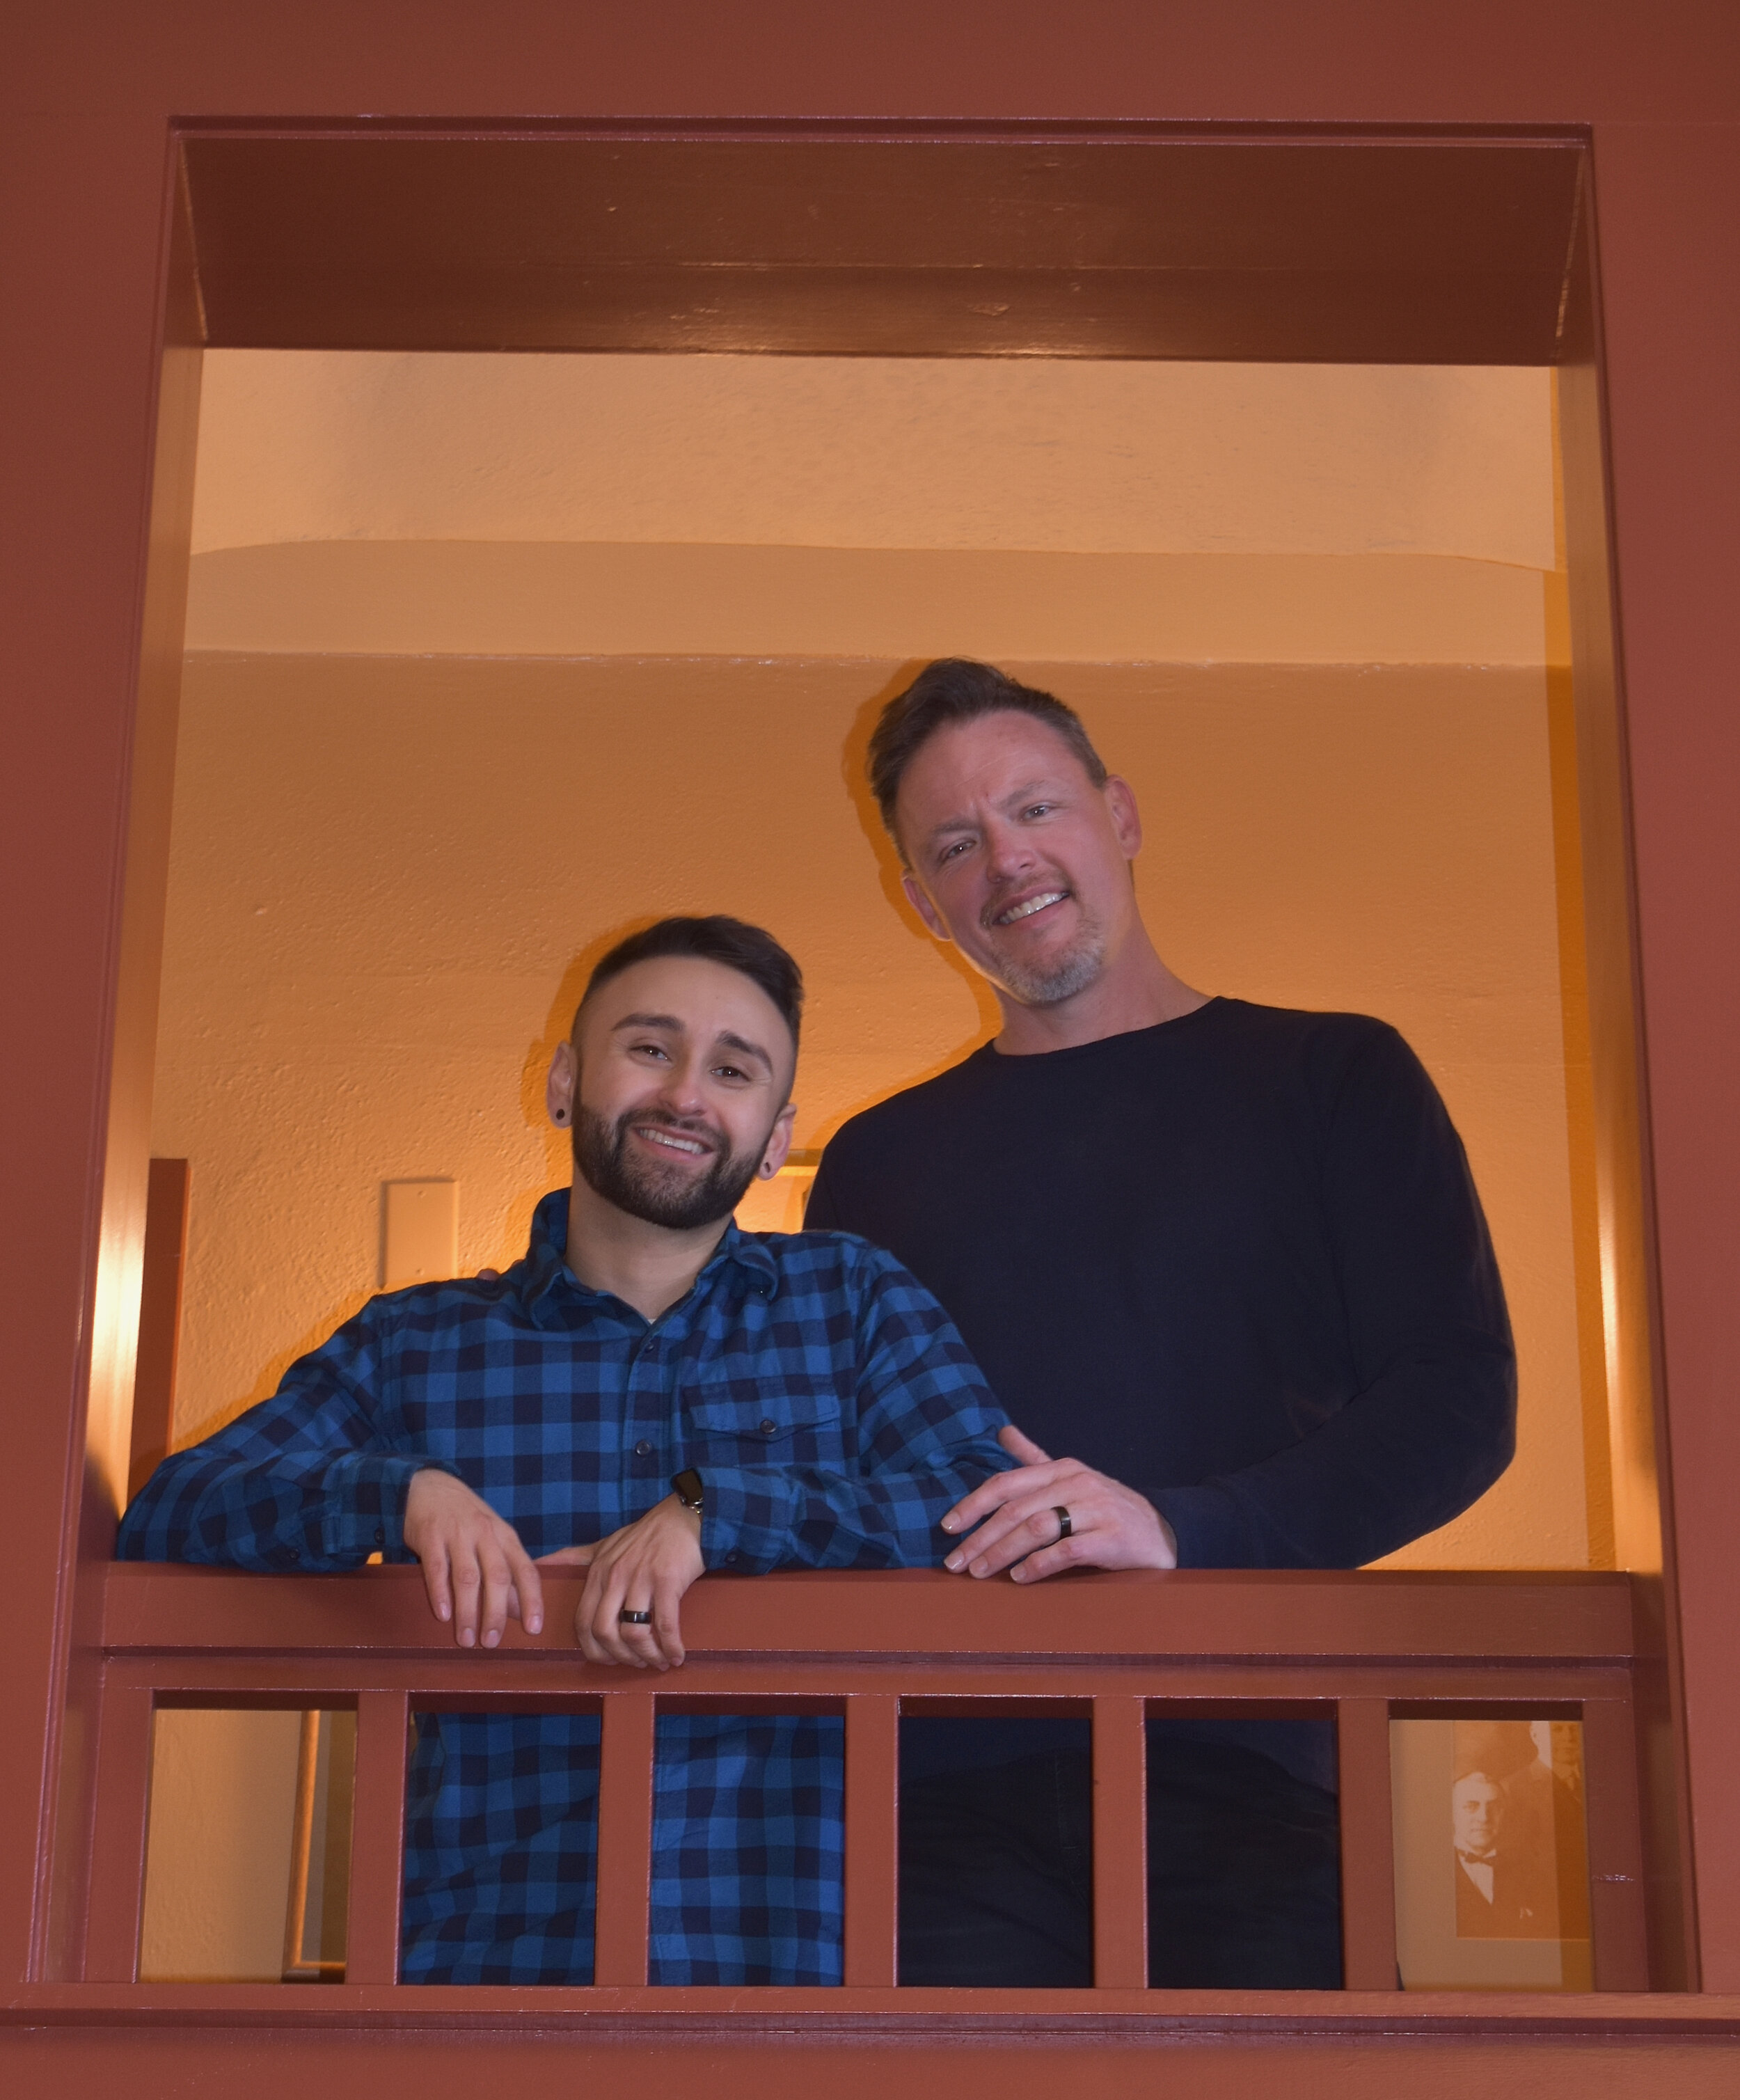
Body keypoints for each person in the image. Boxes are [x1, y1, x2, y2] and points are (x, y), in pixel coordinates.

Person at [119, 915, 1011, 1987]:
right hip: (482, 1978)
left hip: (790, 1976)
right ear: (563, 1081)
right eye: (650, 1047)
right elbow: (172, 1509)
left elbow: (986, 1497)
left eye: (733, 1070)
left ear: (775, 1136)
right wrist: (400, 1491)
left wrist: (718, 1510)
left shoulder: (852, 1298)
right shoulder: (411, 1342)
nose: (685, 1093)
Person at [806, 659, 1517, 1988]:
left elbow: (1458, 1399)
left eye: (1035, 808)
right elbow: (816, 1467)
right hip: (939, 1789)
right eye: (956, 844)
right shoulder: (873, 1164)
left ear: (1120, 814)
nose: (1006, 860)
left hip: (1247, 1759)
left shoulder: (1335, 1077)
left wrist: (1186, 1527)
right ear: (921, 902)